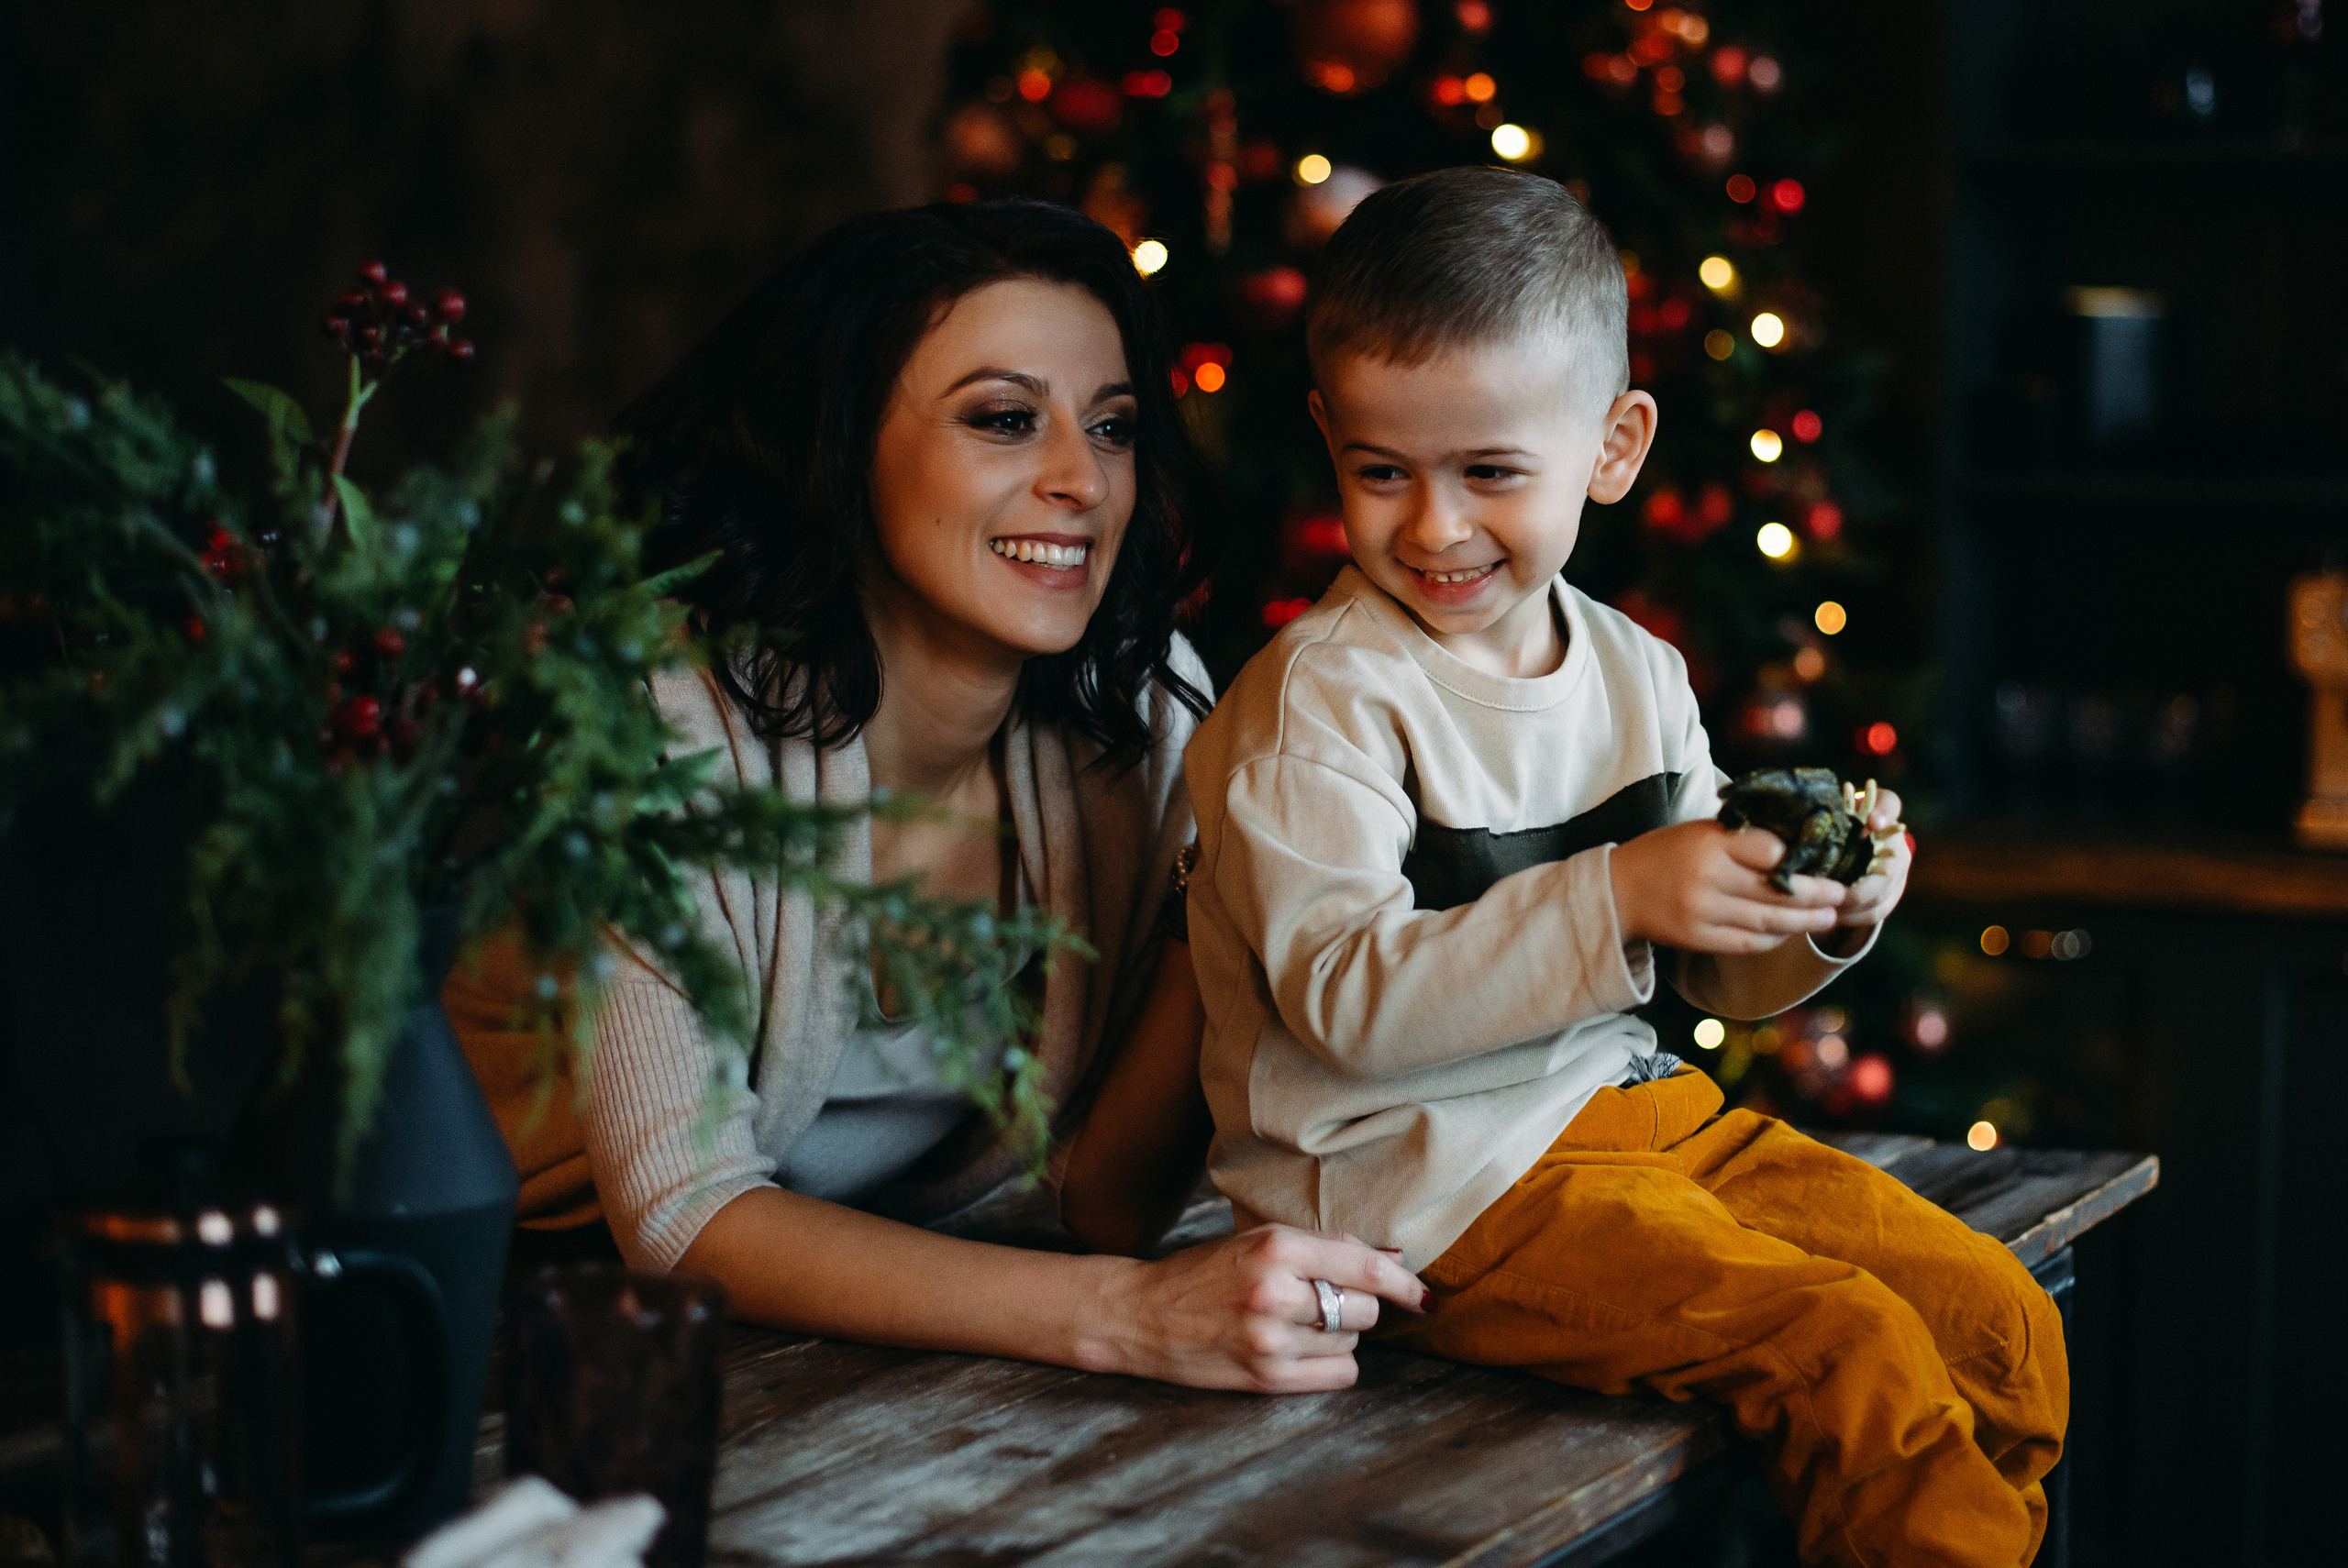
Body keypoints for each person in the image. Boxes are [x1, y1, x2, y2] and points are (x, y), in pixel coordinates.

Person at [1181, 167, 2066, 1567]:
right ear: (1328, 440)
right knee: (1843, 1345)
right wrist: (1616, 896)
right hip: (1427, 1185)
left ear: (1613, 443)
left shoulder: (1637, 671)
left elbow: (1715, 962)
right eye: (1381, 471)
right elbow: (1341, 1001)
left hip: (1636, 1120)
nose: (1434, 527)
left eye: (1489, 471)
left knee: (1995, 1317)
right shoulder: (1321, 706)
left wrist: (1818, 916)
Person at [452, 198, 1424, 1392]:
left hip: (855, 1351)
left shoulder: (1148, 710)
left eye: (1112, 428)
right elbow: (683, 1213)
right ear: (842, 442)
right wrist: (1128, 1316)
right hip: (508, 1326)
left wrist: (1225, 872)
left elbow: (1100, 1199)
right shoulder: (654, 725)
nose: (1082, 480)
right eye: (1007, 420)